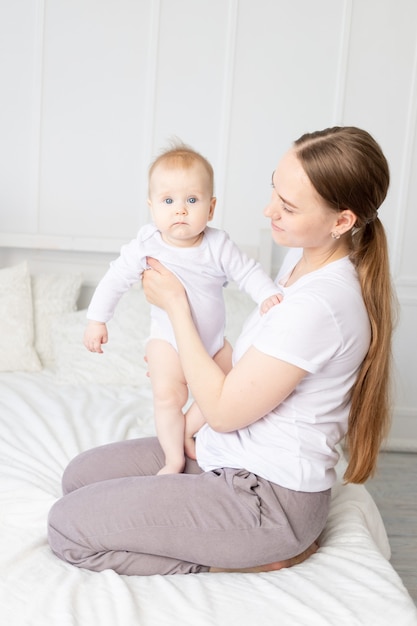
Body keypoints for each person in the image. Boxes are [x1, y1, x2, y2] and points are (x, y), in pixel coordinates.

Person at [48, 126, 394, 576]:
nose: (268, 210)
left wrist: (175, 306)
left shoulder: (322, 305)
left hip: (267, 499)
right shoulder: (301, 258)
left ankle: (246, 560)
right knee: (77, 478)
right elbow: (239, 381)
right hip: (226, 454)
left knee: (67, 527)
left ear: (342, 221)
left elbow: (227, 410)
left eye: (288, 207)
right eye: (275, 188)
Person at [84, 143, 282, 474]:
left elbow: (248, 272)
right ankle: (173, 457)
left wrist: (268, 295)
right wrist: (97, 320)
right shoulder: (147, 246)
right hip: (168, 343)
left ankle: (189, 429)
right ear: (151, 207)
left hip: (213, 343)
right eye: (168, 201)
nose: (180, 210)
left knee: (234, 386)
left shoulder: (217, 245)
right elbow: (115, 279)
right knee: (167, 397)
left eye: (192, 200)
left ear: (211, 207)